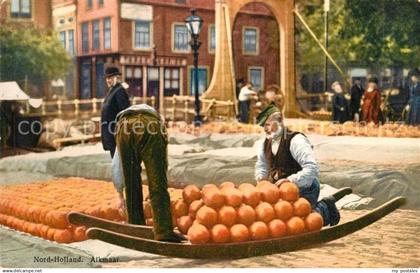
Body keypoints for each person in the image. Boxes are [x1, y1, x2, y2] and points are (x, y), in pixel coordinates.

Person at [254, 104, 342, 227]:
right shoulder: (265, 143)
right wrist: (261, 178)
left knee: (297, 221)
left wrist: (290, 180)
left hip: (304, 188)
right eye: (263, 126)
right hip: (280, 191)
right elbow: (261, 165)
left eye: (268, 124)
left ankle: (325, 208)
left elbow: (312, 169)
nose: (265, 129)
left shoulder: (296, 140)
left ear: (280, 122)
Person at [112, 104, 184, 243]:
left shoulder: (125, 117)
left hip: (123, 127)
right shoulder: (155, 119)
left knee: (131, 183)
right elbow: (160, 166)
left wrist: (119, 192)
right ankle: (163, 232)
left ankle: (136, 229)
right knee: (157, 182)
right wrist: (158, 179)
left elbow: (117, 162)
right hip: (148, 125)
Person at [101, 66, 130, 158]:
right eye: (107, 78)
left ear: (117, 78)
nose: (108, 80)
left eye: (110, 78)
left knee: (119, 163)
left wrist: (121, 134)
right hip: (111, 135)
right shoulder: (112, 91)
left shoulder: (119, 91)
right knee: (115, 162)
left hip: (116, 135)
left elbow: (125, 113)